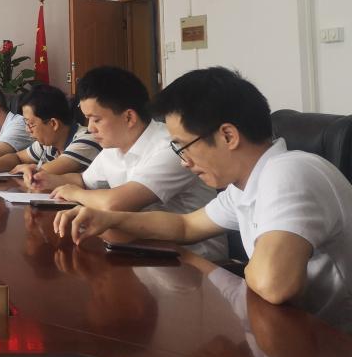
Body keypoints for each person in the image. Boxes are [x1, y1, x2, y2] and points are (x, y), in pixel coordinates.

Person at [53, 67, 352, 333]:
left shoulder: (289, 173)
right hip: (294, 333)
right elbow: (185, 226)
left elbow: (275, 285)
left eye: (184, 146)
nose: (184, 161)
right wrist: (109, 219)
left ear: (228, 136)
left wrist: (248, 266)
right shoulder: (244, 185)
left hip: (334, 346)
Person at [33, 67, 224, 260]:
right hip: (142, 248)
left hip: (192, 259)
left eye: (96, 119)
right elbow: (84, 180)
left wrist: (74, 193)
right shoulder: (113, 145)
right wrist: (47, 179)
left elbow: (114, 204)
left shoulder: (171, 147)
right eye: (87, 119)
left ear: (129, 117)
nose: (90, 128)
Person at [0, 84, 101, 179]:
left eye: (31, 124)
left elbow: (40, 172)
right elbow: (18, 157)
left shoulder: (86, 140)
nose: (27, 130)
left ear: (53, 124)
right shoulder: (48, 144)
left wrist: (29, 169)